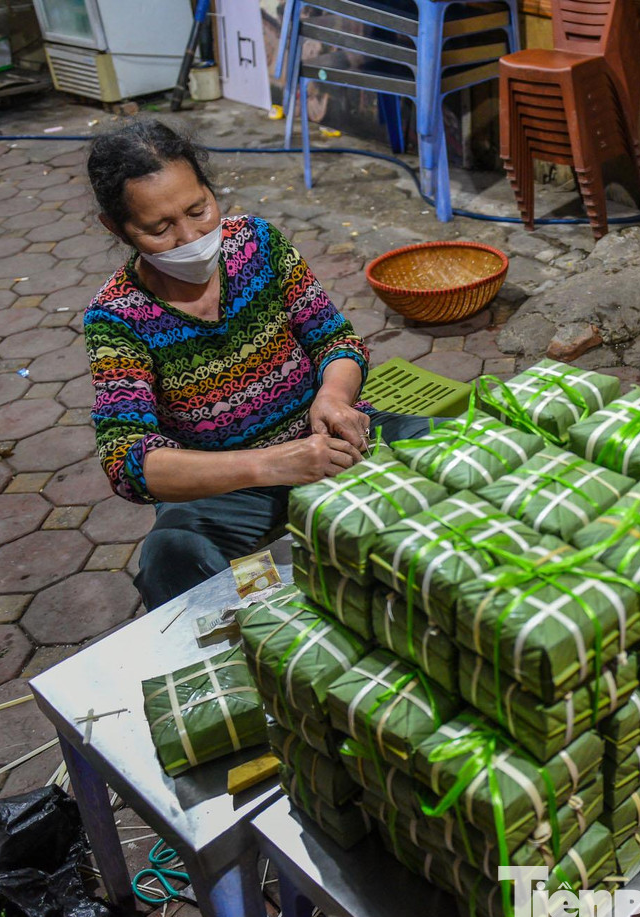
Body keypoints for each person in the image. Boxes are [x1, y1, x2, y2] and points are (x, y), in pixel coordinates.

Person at [83, 119, 431, 609]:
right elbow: (129, 462)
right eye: (159, 228)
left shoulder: (258, 244)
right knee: (171, 555)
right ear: (116, 228)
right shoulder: (116, 317)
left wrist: (332, 398)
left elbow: (335, 339)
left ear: (209, 190)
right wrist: (273, 464)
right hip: (230, 487)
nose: (189, 236)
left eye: (199, 209)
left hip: (330, 443)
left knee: (455, 447)